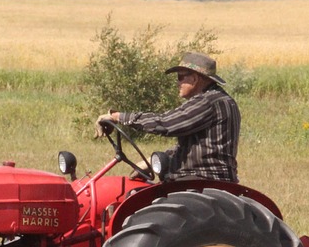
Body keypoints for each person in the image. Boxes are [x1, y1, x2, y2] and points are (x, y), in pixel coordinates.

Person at [97, 52, 240, 183]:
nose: (177, 83)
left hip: (200, 179)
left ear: (195, 78)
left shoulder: (207, 102)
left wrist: (118, 117)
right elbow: (192, 147)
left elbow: (165, 123)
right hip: (211, 178)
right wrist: (150, 162)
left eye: (180, 77)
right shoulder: (222, 100)